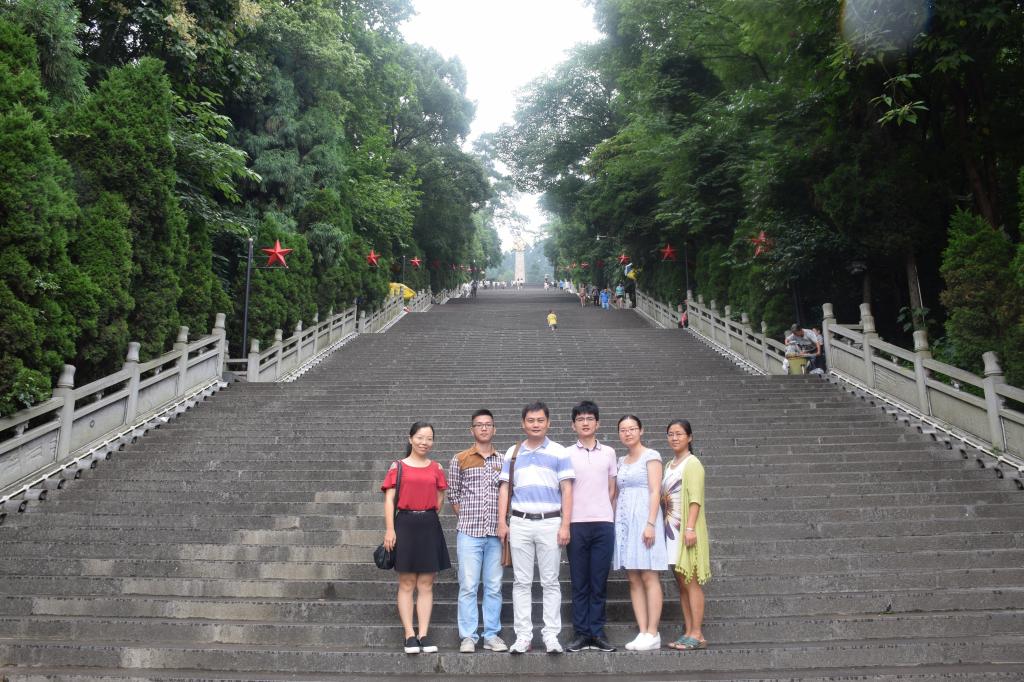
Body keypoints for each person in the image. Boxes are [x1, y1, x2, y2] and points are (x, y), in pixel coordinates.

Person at [497, 401, 575, 654]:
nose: (536, 424)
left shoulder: (559, 452)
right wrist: (502, 521)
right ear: (523, 424)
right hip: (519, 522)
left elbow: (567, 489)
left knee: (550, 581)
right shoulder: (513, 452)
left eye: (540, 420)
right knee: (521, 582)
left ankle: (551, 635)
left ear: (548, 423)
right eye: (531, 420)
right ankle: (523, 636)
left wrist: (565, 524)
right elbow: (505, 489)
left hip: (550, 522)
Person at [381, 421, 451, 654]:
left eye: (429, 438)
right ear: (410, 439)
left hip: (429, 525)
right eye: (420, 437)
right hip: (405, 525)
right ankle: (409, 634)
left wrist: (428, 512)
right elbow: (389, 499)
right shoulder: (398, 466)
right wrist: (390, 529)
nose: (424, 442)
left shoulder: (437, 467)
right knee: (407, 582)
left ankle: (423, 634)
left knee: (426, 583)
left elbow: (440, 496)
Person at [448, 409, 509, 653]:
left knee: (494, 586)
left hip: (495, 533)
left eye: (488, 424)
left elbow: (509, 493)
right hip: (469, 533)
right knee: (468, 586)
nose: (484, 428)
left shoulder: (503, 461)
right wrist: (467, 517)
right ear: (471, 429)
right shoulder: (460, 459)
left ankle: (491, 634)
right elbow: (453, 495)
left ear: (494, 429)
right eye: (479, 424)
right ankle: (468, 637)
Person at [564, 401, 617, 653]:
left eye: (590, 418)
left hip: (603, 524)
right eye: (580, 419)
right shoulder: (565, 454)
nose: (585, 423)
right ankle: (581, 633)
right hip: (576, 524)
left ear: (598, 423)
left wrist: (606, 513)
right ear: (573, 425)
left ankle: (597, 632)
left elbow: (612, 489)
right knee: (579, 582)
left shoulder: (609, 453)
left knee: (598, 581)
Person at [612, 415, 667, 651]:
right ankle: (643, 631)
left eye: (632, 428)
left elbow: (655, 491)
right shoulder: (621, 460)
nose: (628, 433)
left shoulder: (651, 456)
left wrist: (651, 523)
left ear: (641, 430)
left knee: (648, 575)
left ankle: (653, 632)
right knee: (633, 577)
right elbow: (616, 493)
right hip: (625, 520)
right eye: (623, 430)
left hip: (644, 518)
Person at [662, 419, 710, 650]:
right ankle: (689, 631)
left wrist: (690, 528)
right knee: (681, 584)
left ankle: (697, 633)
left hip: (685, 531)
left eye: (679, 434)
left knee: (691, 583)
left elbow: (695, 499)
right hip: (670, 531)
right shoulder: (669, 464)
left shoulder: (693, 463)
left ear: (689, 437)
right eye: (671, 434)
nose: (674, 438)